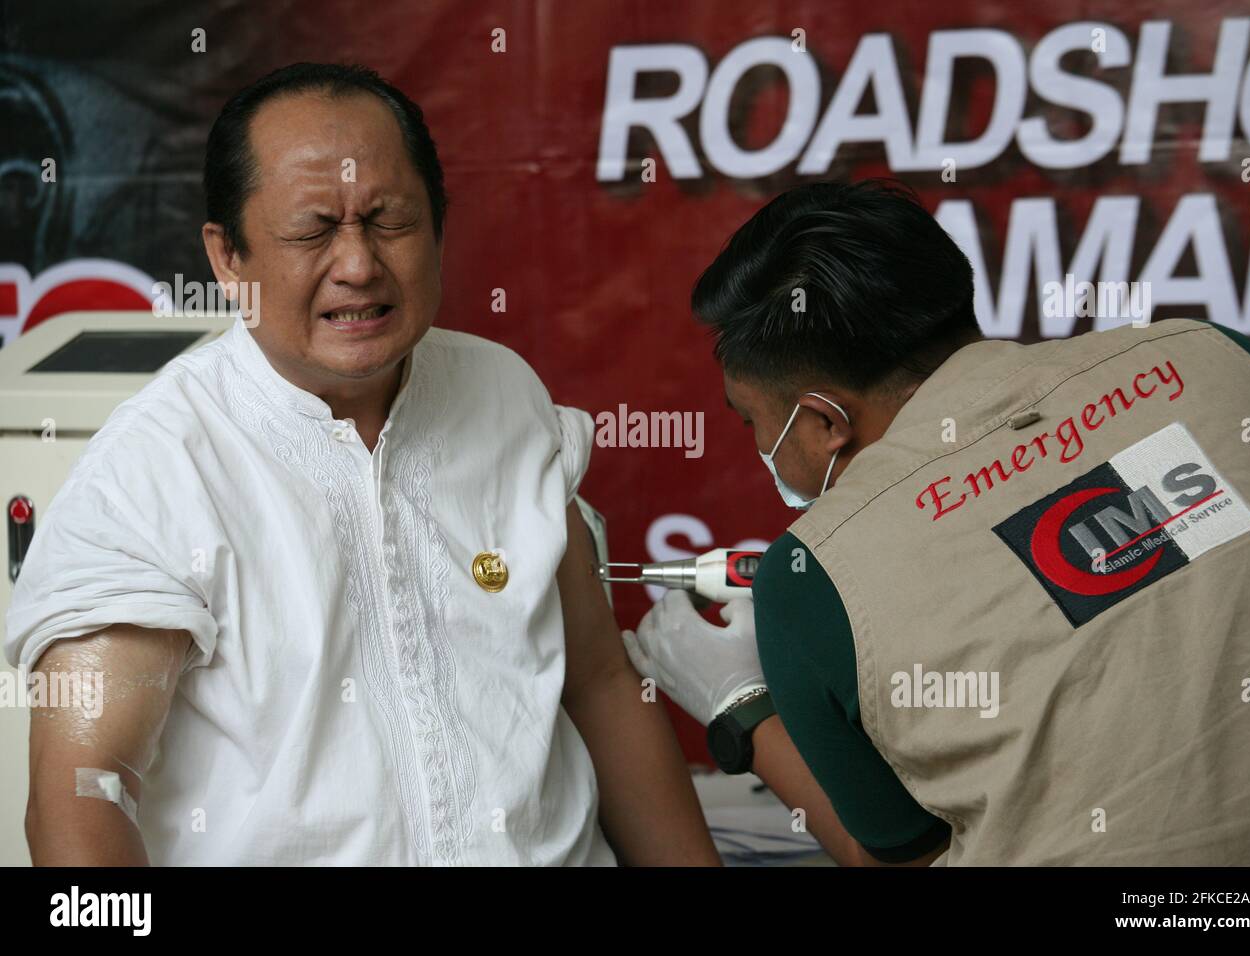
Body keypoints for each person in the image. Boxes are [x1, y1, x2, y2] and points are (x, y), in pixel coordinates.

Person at [6, 63, 718, 866]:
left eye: (389, 221)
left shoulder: (505, 394)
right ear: (228, 258)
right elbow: (80, 795)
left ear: (439, 225)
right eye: (311, 231)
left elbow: (602, 686)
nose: (357, 265)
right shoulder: (158, 468)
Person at [625, 178, 1250, 866]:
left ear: (825, 420)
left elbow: (901, 860)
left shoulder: (813, 577)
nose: (758, 445)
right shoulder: (1214, 355)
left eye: (751, 420)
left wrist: (741, 705)